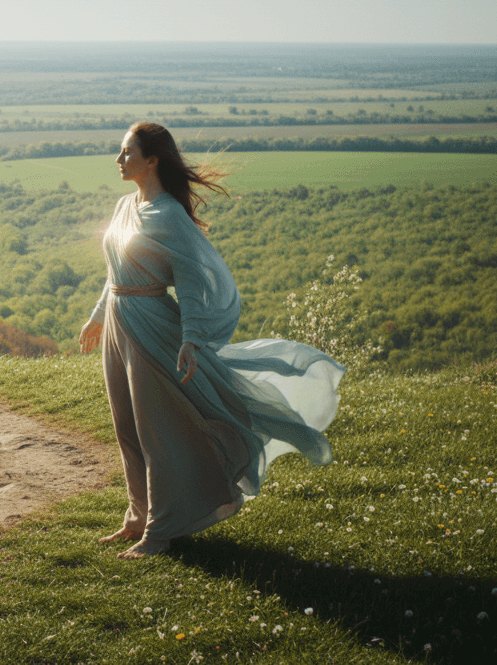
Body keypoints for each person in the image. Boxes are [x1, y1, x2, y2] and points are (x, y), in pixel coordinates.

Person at [78, 123, 344, 559]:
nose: (119, 159)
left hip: (151, 326)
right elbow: (114, 272)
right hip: (118, 322)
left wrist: (193, 339)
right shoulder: (125, 205)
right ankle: (137, 517)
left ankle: (159, 533)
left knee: (155, 432)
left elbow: (192, 281)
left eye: (127, 152)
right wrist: (96, 318)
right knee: (125, 426)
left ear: (152, 159)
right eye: (120, 152)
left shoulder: (169, 215)